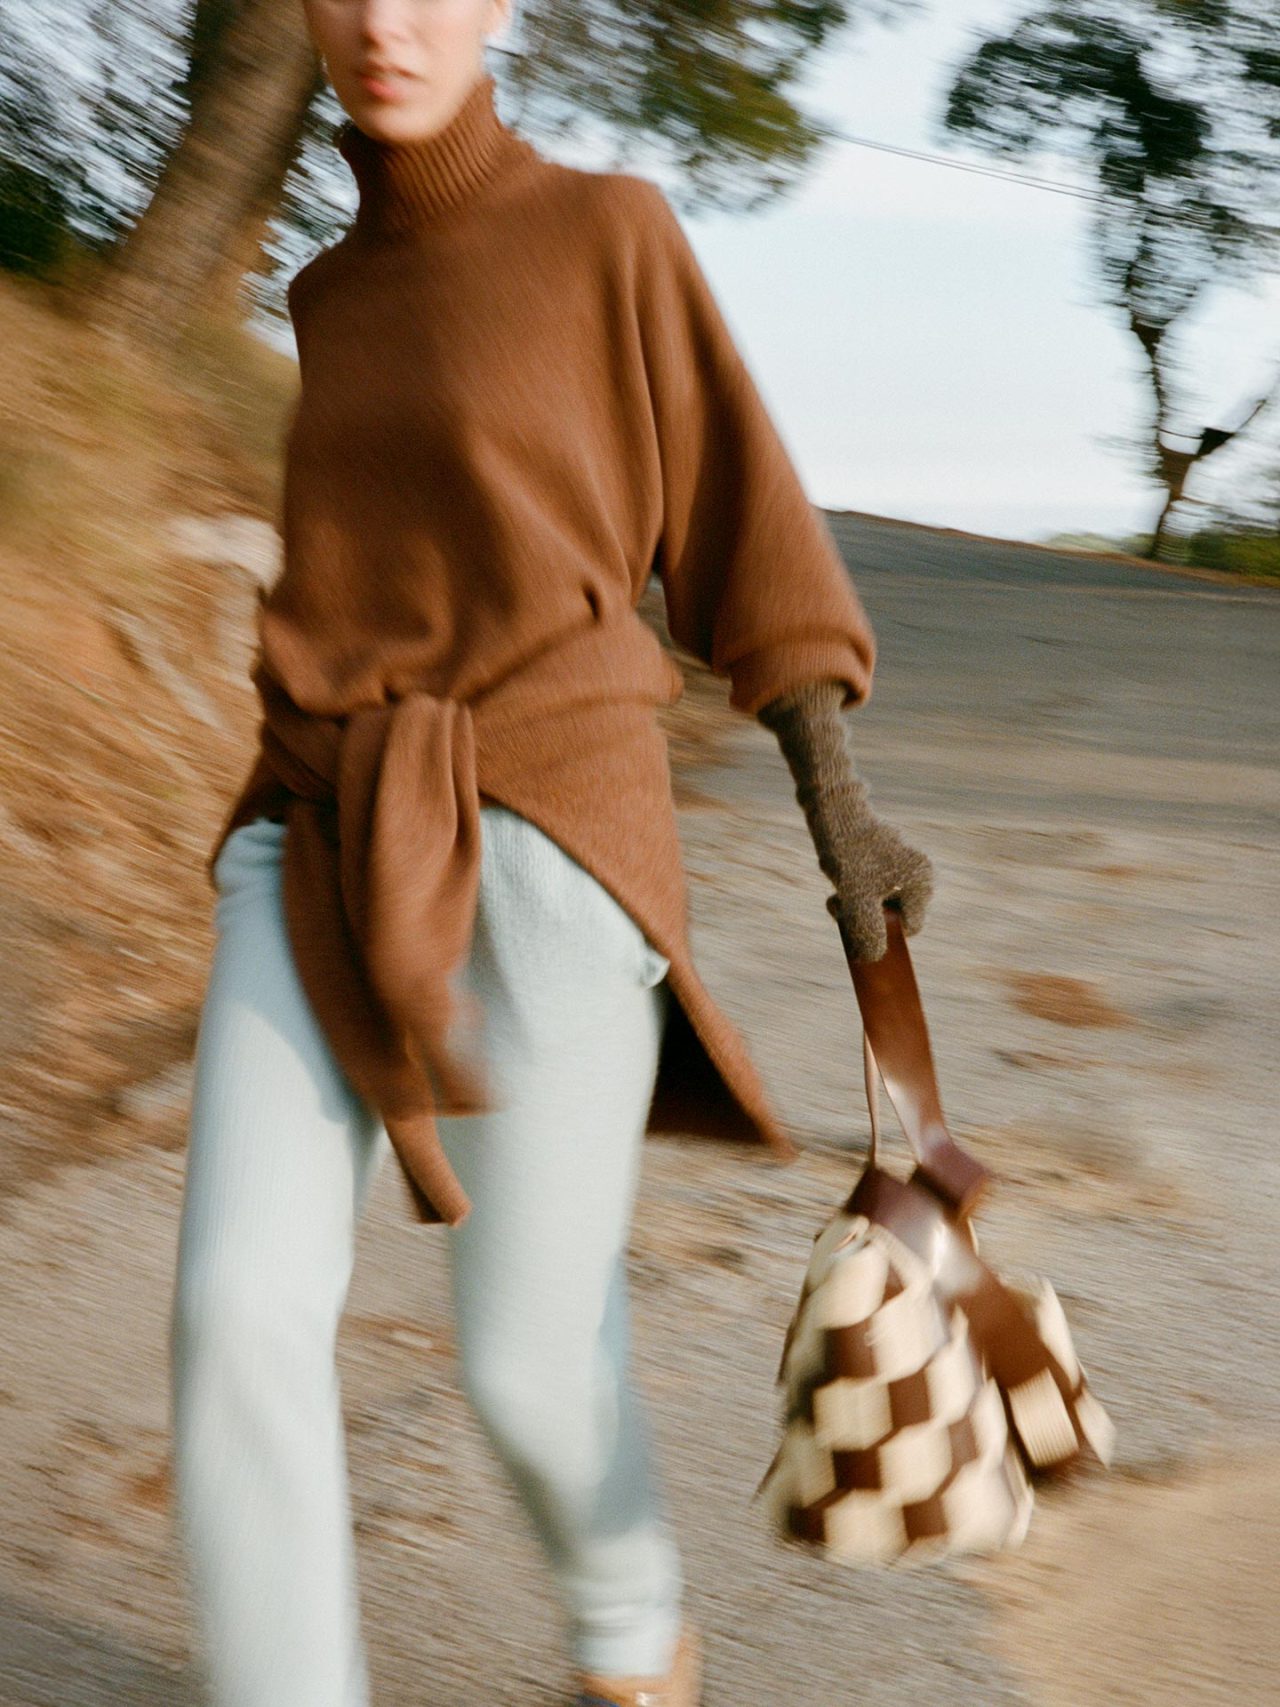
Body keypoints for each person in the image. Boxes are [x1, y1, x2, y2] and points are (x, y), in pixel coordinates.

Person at [167, 4, 934, 1705]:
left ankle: (631, 1633)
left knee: (526, 1359)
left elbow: (744, 520)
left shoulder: (609, 232)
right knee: (236, 1307)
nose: (386, 22)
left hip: (556, 831)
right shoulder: (327, 291)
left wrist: (840, 812)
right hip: (319, 819)